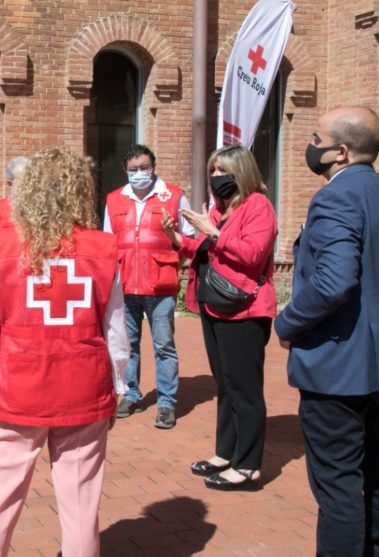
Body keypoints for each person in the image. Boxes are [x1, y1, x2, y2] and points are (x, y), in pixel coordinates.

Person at [0, 148, 129, 557]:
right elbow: (116, 330)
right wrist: (118, 385)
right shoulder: (103, 248)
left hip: (17, 388)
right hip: (84, 386)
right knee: (81, 505)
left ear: (28, 191)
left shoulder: (0, 247)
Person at [274, 106, 379, 556]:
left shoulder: (336, 197)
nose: (310, 146)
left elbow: (334, 281)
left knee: (338, 483)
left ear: (341, 152)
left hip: (338, 368)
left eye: (316, 139)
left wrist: (286, 323)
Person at [162, 145, 277, 490]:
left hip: (244, 309)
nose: (215, 177)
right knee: (225, 384)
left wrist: (212, 232)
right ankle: (226, 452)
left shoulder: (258, 205)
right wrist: (174, 236)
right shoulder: (220, 208)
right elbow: (204, 249)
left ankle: (248, 466)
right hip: (214, 304)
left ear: (241, 171)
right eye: (212, 170)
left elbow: (252, 254)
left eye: (222, 171)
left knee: (244, 388)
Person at [104, 144, 194, 429]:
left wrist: (173, 261)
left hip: (161, 285)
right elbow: (107, 241)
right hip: (125, 285)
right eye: (133, 169)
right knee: (128, 344)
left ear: (153, 167)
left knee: (164, 345)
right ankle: (131, 394)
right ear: (125, 170)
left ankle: (166, 402)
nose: (139, 173)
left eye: (144, 167)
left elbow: (189, 239)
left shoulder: (174, 196)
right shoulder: (114, 199)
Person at [0, 156, 29, 231]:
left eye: (33, 178)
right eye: (24, 180)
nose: (30, 184)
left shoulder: (44, 209)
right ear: (10, 183)